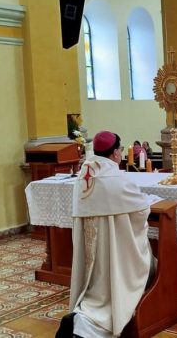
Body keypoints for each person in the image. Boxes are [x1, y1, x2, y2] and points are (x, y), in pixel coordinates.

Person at [56, 130, 155, 338]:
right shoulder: (115, 178)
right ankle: (91, 326)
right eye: (119, 149)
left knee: (93, 284)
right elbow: (141, 210)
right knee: (123, 273)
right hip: (114, 249)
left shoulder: (84, 176)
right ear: (115, 154)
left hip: (90, 250)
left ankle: (81, 318)